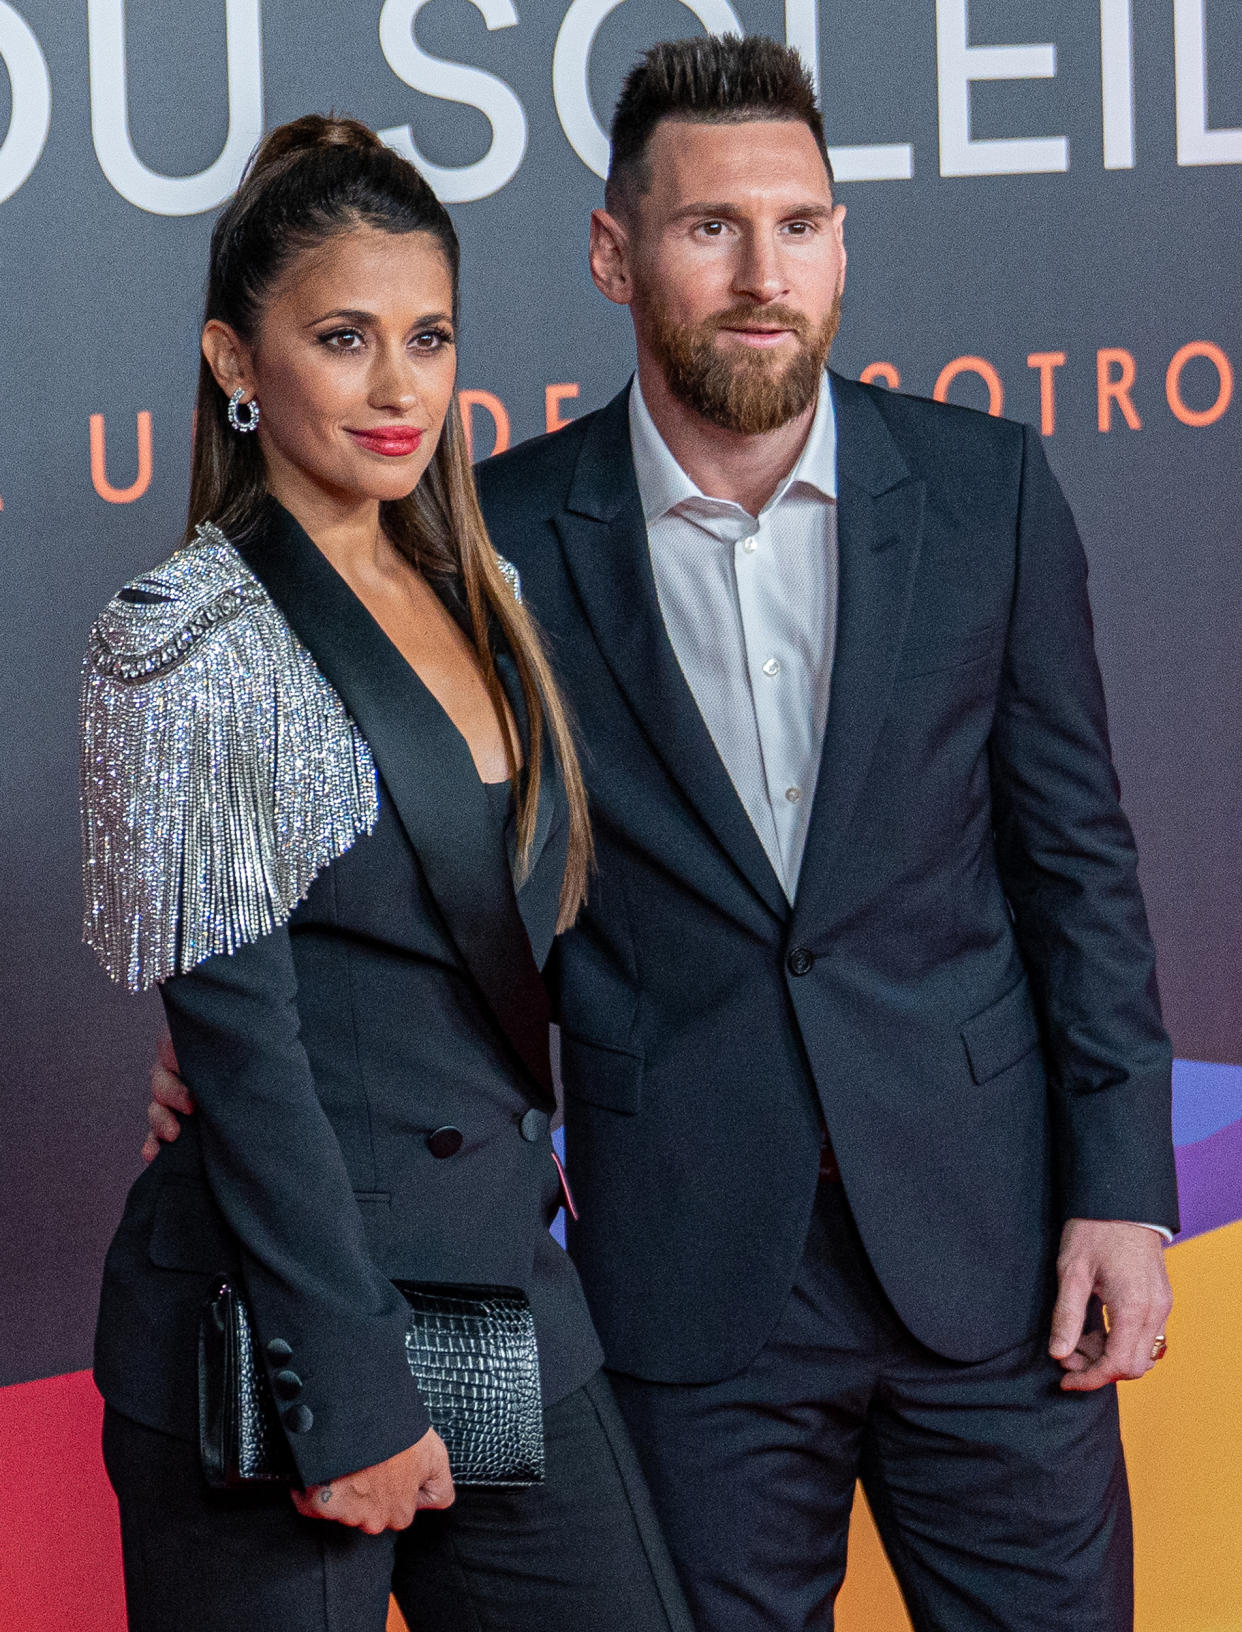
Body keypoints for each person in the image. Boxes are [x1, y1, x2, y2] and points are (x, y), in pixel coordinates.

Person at [148, 39, 1179, 1632]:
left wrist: (1120, 1188)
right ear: (613, 252)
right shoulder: (487, 552)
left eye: (800, 223)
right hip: (683, 1276)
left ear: (840, 242)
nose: (763, 272)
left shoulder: (987, 492)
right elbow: (444, 884)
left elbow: (1078, 867)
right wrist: (267, 1048)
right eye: (709, 228)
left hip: (992, 1256)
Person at [83, 114, 692, 1632]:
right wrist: (344, 1395)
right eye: (341, 337)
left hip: (502, 1298)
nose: (396, 384)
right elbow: (249, 1058)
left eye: (427, 335)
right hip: (280, 1326)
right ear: (237, 360)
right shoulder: (185, 638)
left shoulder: (482, 592)